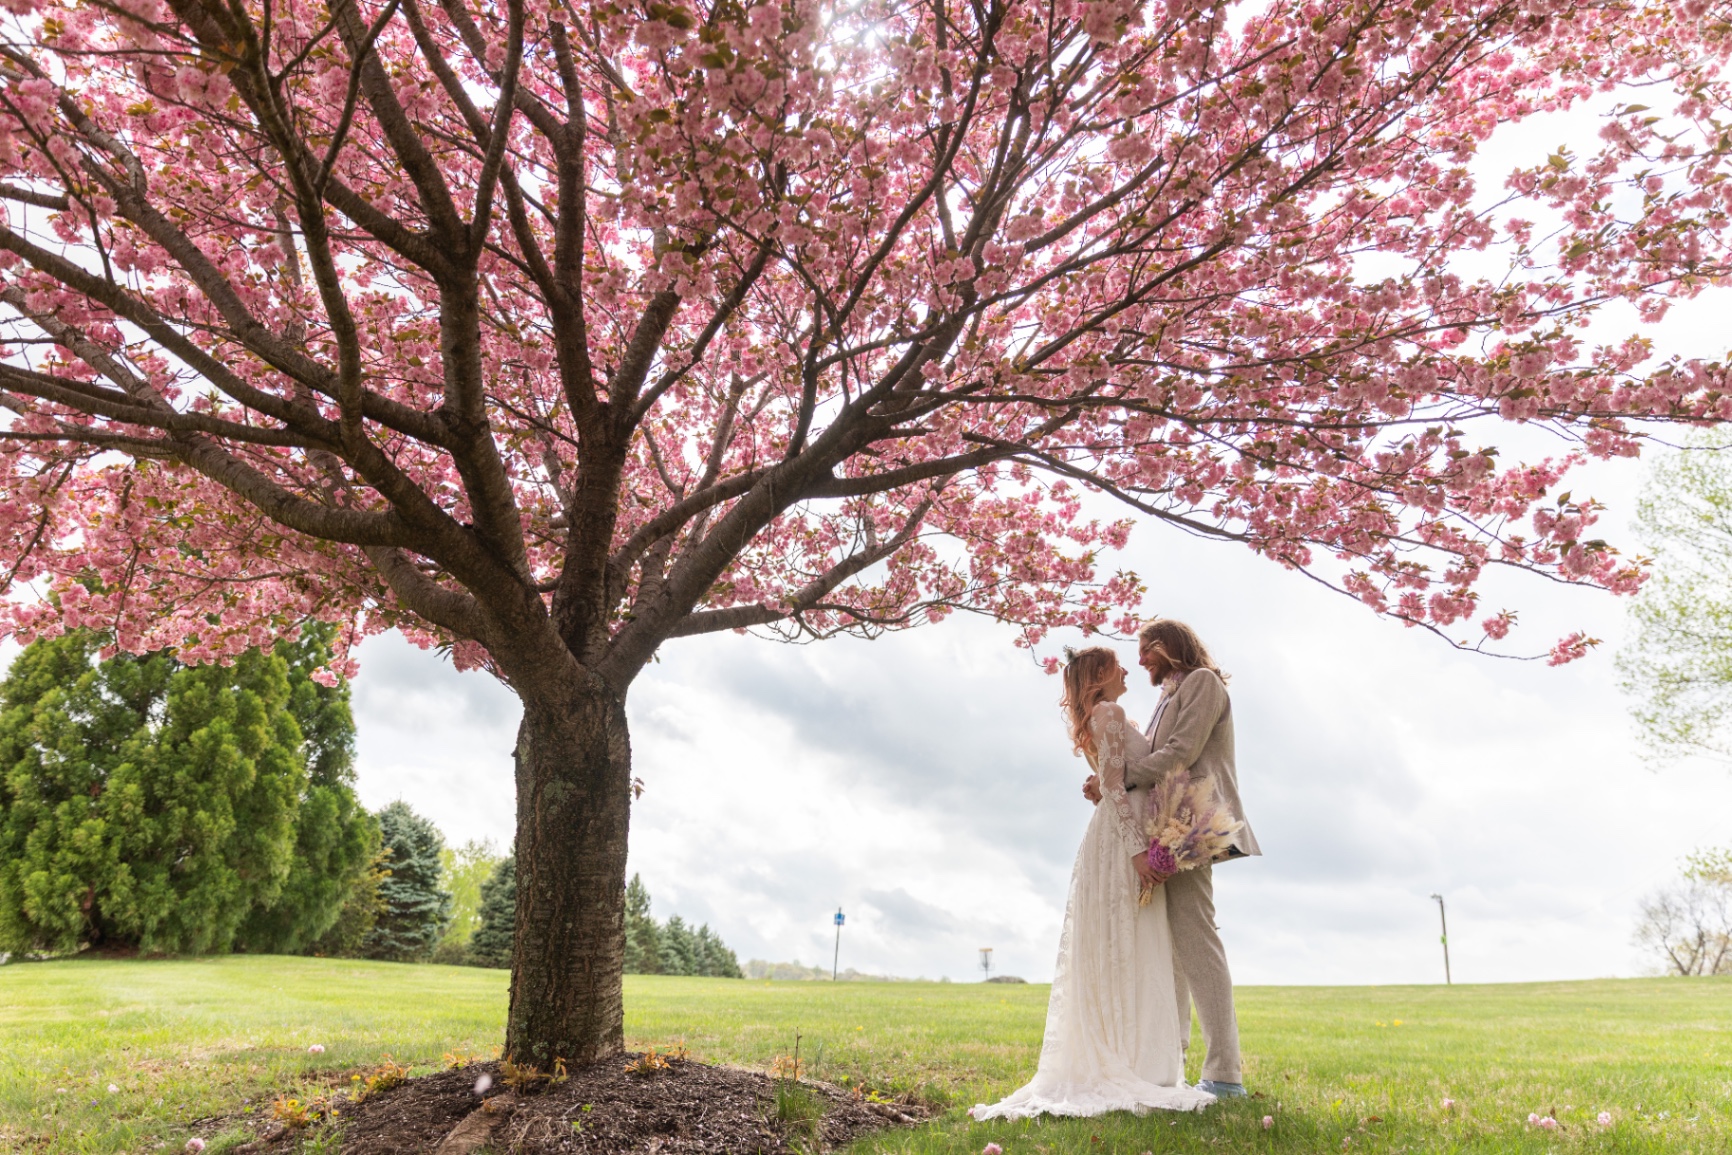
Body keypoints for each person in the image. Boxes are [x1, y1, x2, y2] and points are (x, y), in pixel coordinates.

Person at [970, 647, 1214, 1119]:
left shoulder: (1105, 716)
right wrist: (1137, 850)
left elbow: (1108, 784)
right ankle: (1137, 1061)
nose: (1127, 670)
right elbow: (1116, 788)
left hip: (1117, 836)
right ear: (1099, 676)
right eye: (1118, 665)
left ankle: (1140, 1056)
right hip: (1122, 842)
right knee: (1132, 940)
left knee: (1130, 941)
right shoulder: (1110, 712)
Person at [1084, 618, 1258, 1097]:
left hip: (1194, 821)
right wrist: (1109, 781)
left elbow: (1182, 753)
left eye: (1146, 651)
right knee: (1177, 946)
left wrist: (1115, 780)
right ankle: (1175, 1063)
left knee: (1196, 941)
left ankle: (1225, 1073)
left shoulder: (1202, 683)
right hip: (1170, 824)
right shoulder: (1167, 695)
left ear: (1168, 645)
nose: (1139, 661)